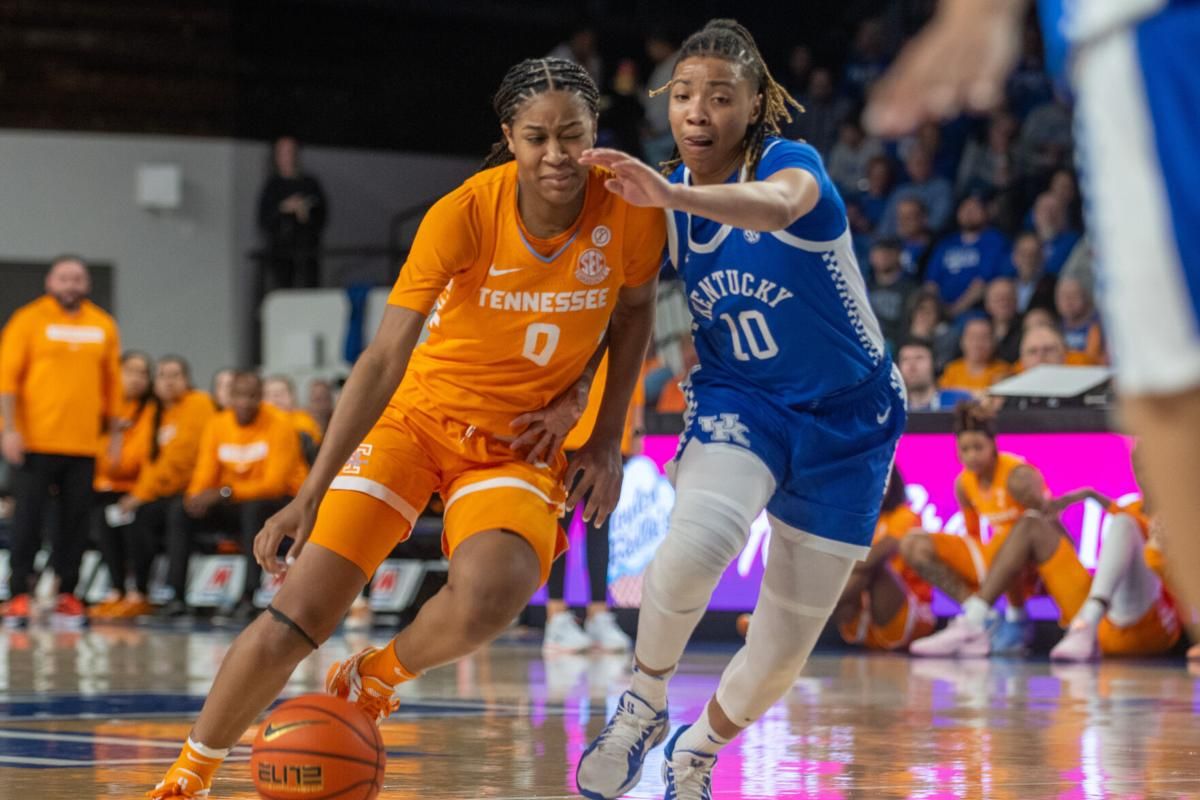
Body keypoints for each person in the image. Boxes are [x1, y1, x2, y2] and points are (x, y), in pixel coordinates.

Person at [148, 57, 664, 799]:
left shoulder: (631, 209)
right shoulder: (463, 213)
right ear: (510, 139)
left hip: (516, 445)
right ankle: (187, 776)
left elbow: (635, 310)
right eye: (537, 137)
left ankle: (375, 679)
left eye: (573, 136)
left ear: (594, 134)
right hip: (416, 422)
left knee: (497, 590)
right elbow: (385, 354)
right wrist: (309, 493)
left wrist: (602, 426)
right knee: (301, 612)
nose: (557, 155)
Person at [574, 20, 905, 798]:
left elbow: (777, 207)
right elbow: (618, 306)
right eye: (683, 94)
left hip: (849, 420)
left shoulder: (792, 165)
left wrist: (672, 193)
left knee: (786, 645)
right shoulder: (658, 197)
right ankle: (642, 706)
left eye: (720, 97)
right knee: (695, 546)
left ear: (755, 106)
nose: (697, 111)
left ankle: (698, 750)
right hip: (742, 397)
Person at [868, 0, 1200, 648]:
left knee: (1170, 395)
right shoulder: (966, 485)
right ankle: (991, 622)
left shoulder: (1019, 475)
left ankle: (991, 623)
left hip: (1149, 28)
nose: (969, 451)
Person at [0, 255, 122, 626]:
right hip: (35, 441)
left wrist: (114, 437)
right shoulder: (29, 319)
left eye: (78, 279)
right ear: (51, 282)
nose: (71, 285)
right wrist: (8, 430)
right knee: (28, 520)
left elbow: (112, 385)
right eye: (64, 278)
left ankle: (67, 593)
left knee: (75, 523)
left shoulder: (102, 324)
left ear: (86, 285)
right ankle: (18, 591)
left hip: (83, 444)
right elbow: (8, 380)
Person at [899, 402, 1043, 655]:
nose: (971, 456)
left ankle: (1015, 619)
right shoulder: (963, 484)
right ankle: (979, 618)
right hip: (993, 557)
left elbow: (1044, 525)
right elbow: (974, 535)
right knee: (913, 543)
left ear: (993, 446)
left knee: (1008, 540)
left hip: (1026, 564)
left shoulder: (1017, 474)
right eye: (965, 449)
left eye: (978, 448)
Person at [170, 371, 306, 621]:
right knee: (181, 510)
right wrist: (195, 497)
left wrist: (226, 492)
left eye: (252, 396)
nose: (245, 402)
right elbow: (204, 473)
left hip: (280, 503)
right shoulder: (217, 424)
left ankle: (248, 596)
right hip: (232, 500)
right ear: (229, 397)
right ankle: (176, 596)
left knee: (254, 510)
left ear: (261, 398)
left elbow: (274, 484)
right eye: (239, 395)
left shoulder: (280, 424)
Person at [542, 354, 644, 654]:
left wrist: (636, 427)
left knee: (600, 527)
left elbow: (632, 375)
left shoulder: (627, 317)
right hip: (566, 437)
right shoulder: (576, 315)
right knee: (559, 528)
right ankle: (556, 617)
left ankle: (599, 614)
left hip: (610, 438)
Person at [117, 356, 214, 618]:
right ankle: (137, 591)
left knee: (175, 514)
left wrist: (144, 493)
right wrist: (139, 496)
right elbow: (150, 463)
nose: (168, 382)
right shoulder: (155, 412)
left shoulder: (198, 404)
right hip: (164, 492)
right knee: (139, 516)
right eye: (162, 375)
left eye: (175, 375)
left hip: (196, 489)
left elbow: (182, 459)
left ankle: (176, 594)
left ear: (187, 379)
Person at [1046, 473, 1180, 661]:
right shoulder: (1133, 510)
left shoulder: (1184, 514)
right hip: (1107, 628)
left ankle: (1086, 621)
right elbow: (1124, 514)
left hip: (1155, 625)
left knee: (1126, 524)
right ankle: (1087, 622)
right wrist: (1089, 495)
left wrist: (1158, 553)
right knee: (1123, 523)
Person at [835, 466, 936, 651]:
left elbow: (872, 557)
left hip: (907, 613)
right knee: (842, 568)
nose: (874, 487)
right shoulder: (855, 519)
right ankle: (809, 619)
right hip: (861, 618)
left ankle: (808, 620)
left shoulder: (905, 515)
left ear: (893, 482)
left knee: (873, 564)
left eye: (881, 480)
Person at [90, 351, 157, 620]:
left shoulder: (154, 411)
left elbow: (153, 459)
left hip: (141, 490)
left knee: (132, 517)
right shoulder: (103, 410)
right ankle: (116, 589)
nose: (137, 378)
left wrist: (140, 494)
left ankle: (139, 592)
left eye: (143, 373)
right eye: (130, 371)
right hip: (108, 488)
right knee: (100, 516)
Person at [923, 194, 1012, 320]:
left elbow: (981, 284)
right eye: (964, 208)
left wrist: (954, 311)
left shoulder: (994, 240)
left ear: (985, 212)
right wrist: (935, 309)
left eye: (974, 208)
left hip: (973, 311)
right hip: (939, 310)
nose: (968, 212)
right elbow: (931, 283)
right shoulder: (946, 242)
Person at [256, 136, 327, 291]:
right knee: (283, 290)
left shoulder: (310, 184)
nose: (287, 156)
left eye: (291, 152)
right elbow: (264, 220)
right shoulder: (272, 187)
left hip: (307, 253)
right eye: (283, 152)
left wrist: (304, 212)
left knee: (308, 289)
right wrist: (283, 208)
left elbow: (321, 218)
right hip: (280, 254)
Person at [879, 145, 953, 236]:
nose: (919, 167)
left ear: (931, 164)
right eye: (915, 163)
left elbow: (938, 222)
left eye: (923, 162)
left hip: (928, 242)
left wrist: (912, 232)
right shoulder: (899, 191)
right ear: (908, 167)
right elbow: (886, 226)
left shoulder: (942, 187)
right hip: (897, 243)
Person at [867, 237, 919, 352]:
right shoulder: (863, 288)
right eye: (879, 252)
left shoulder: (910, 288)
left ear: (897, 256)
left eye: (888, 253)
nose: (883, 257)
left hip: (897, 343)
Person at [939, 317, 1011, 394]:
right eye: (972, 337)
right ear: (962, 342)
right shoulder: (952, 370)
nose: (977, 343)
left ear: (994, 343)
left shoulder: (1003, 370)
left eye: (984, 338)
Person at [897, 338, 971, 412]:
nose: (912, 366)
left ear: (934, 364)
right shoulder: (892, 409)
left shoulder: (960, 400)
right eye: (905, 359)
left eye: (919, 358)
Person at [1011, 230, 1057, 314]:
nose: (1028, 259)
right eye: (1024, 254)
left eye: (1034, 254)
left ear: (1043, 257)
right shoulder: (1006, 285)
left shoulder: (1054, 287)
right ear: (1015, 257)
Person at [984, 277, 1022, 363]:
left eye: (1008, 298)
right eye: (998, 299)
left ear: (1017, 301)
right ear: (987, 304)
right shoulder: (980, 328)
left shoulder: (1026, 326)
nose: (1003, 303)